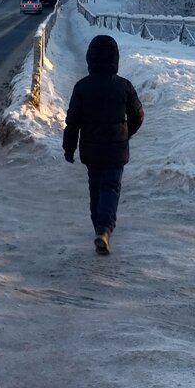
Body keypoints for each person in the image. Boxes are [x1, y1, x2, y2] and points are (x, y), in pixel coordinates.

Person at [62, 34, 144, 255]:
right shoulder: (124, 86)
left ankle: (98, 229)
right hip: (116, 149)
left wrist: (69, 147)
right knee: (111, 187)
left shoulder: (82, 87)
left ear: (90, 59)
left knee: (95, 187)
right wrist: (126, 134)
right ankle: (104, 230)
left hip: (91, 149)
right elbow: (138, 115)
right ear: (115, 59)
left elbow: (73, 122)